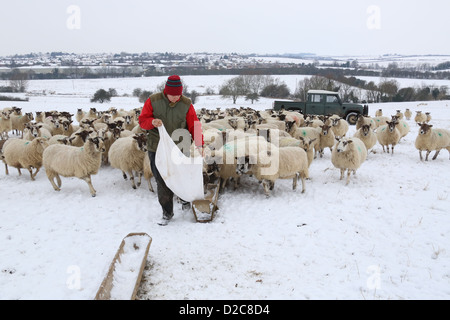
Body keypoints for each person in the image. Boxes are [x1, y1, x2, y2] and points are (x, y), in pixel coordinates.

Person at [138, 75, 204, 225]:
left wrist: (200, 144)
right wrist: (152, 122)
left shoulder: (186, 103)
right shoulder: (153, 101)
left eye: (178, 95)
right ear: (166, 92)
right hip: (158, 147)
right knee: (162, 180)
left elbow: (195, 124)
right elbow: (142, 121)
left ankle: (185, 199)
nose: (176, 98)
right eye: (173, 95)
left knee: (183, 175)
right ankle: (167, 212)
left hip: (180, 146)